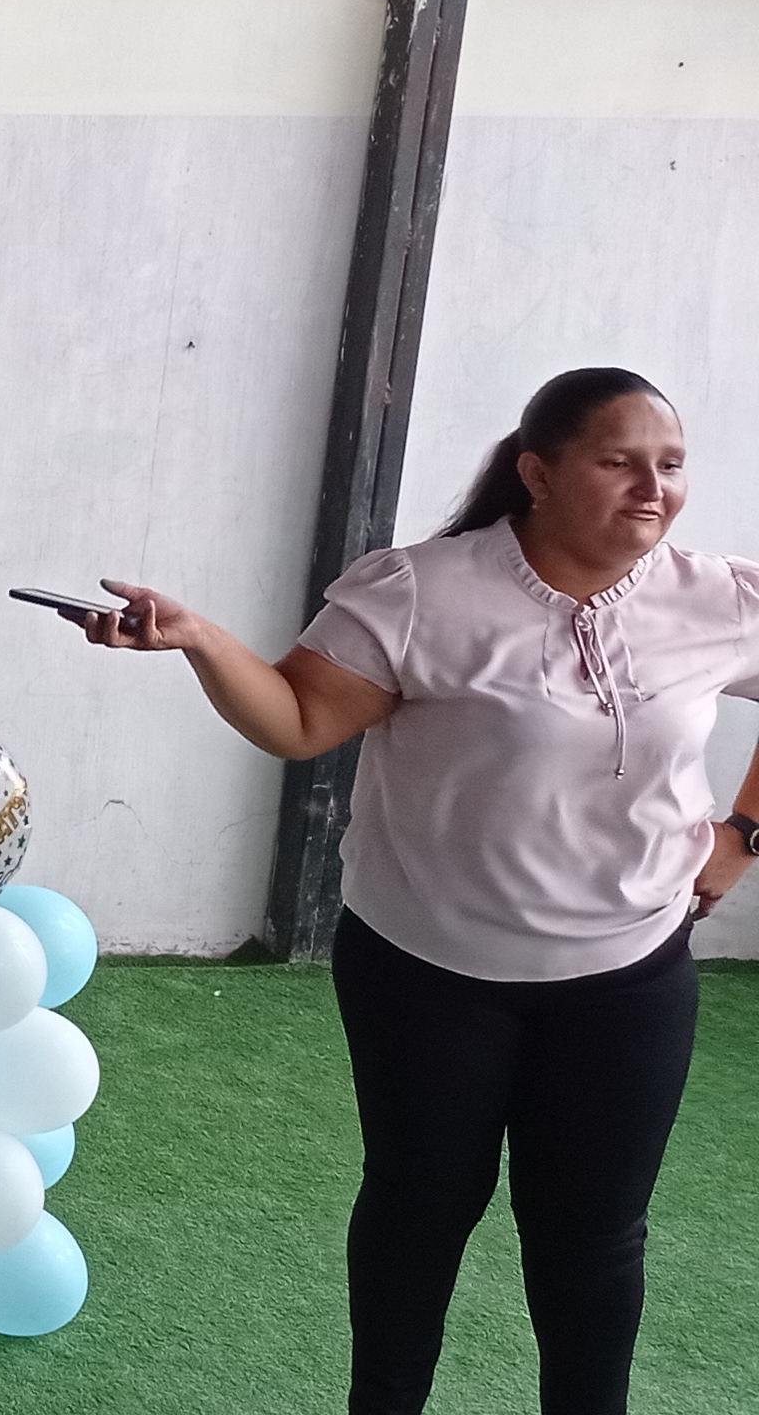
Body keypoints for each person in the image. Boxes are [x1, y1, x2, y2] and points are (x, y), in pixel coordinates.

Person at [75, 367, 758, 1415]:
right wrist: (200, 641)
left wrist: (742, 835)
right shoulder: (419, 591)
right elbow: (300, 720)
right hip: (429, 975)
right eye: (618, 462)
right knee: (419, 1210)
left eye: (669, 465)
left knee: (594, 1236)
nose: (651, 488)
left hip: (628, 975)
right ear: (537, 473)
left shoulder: (718, 599)